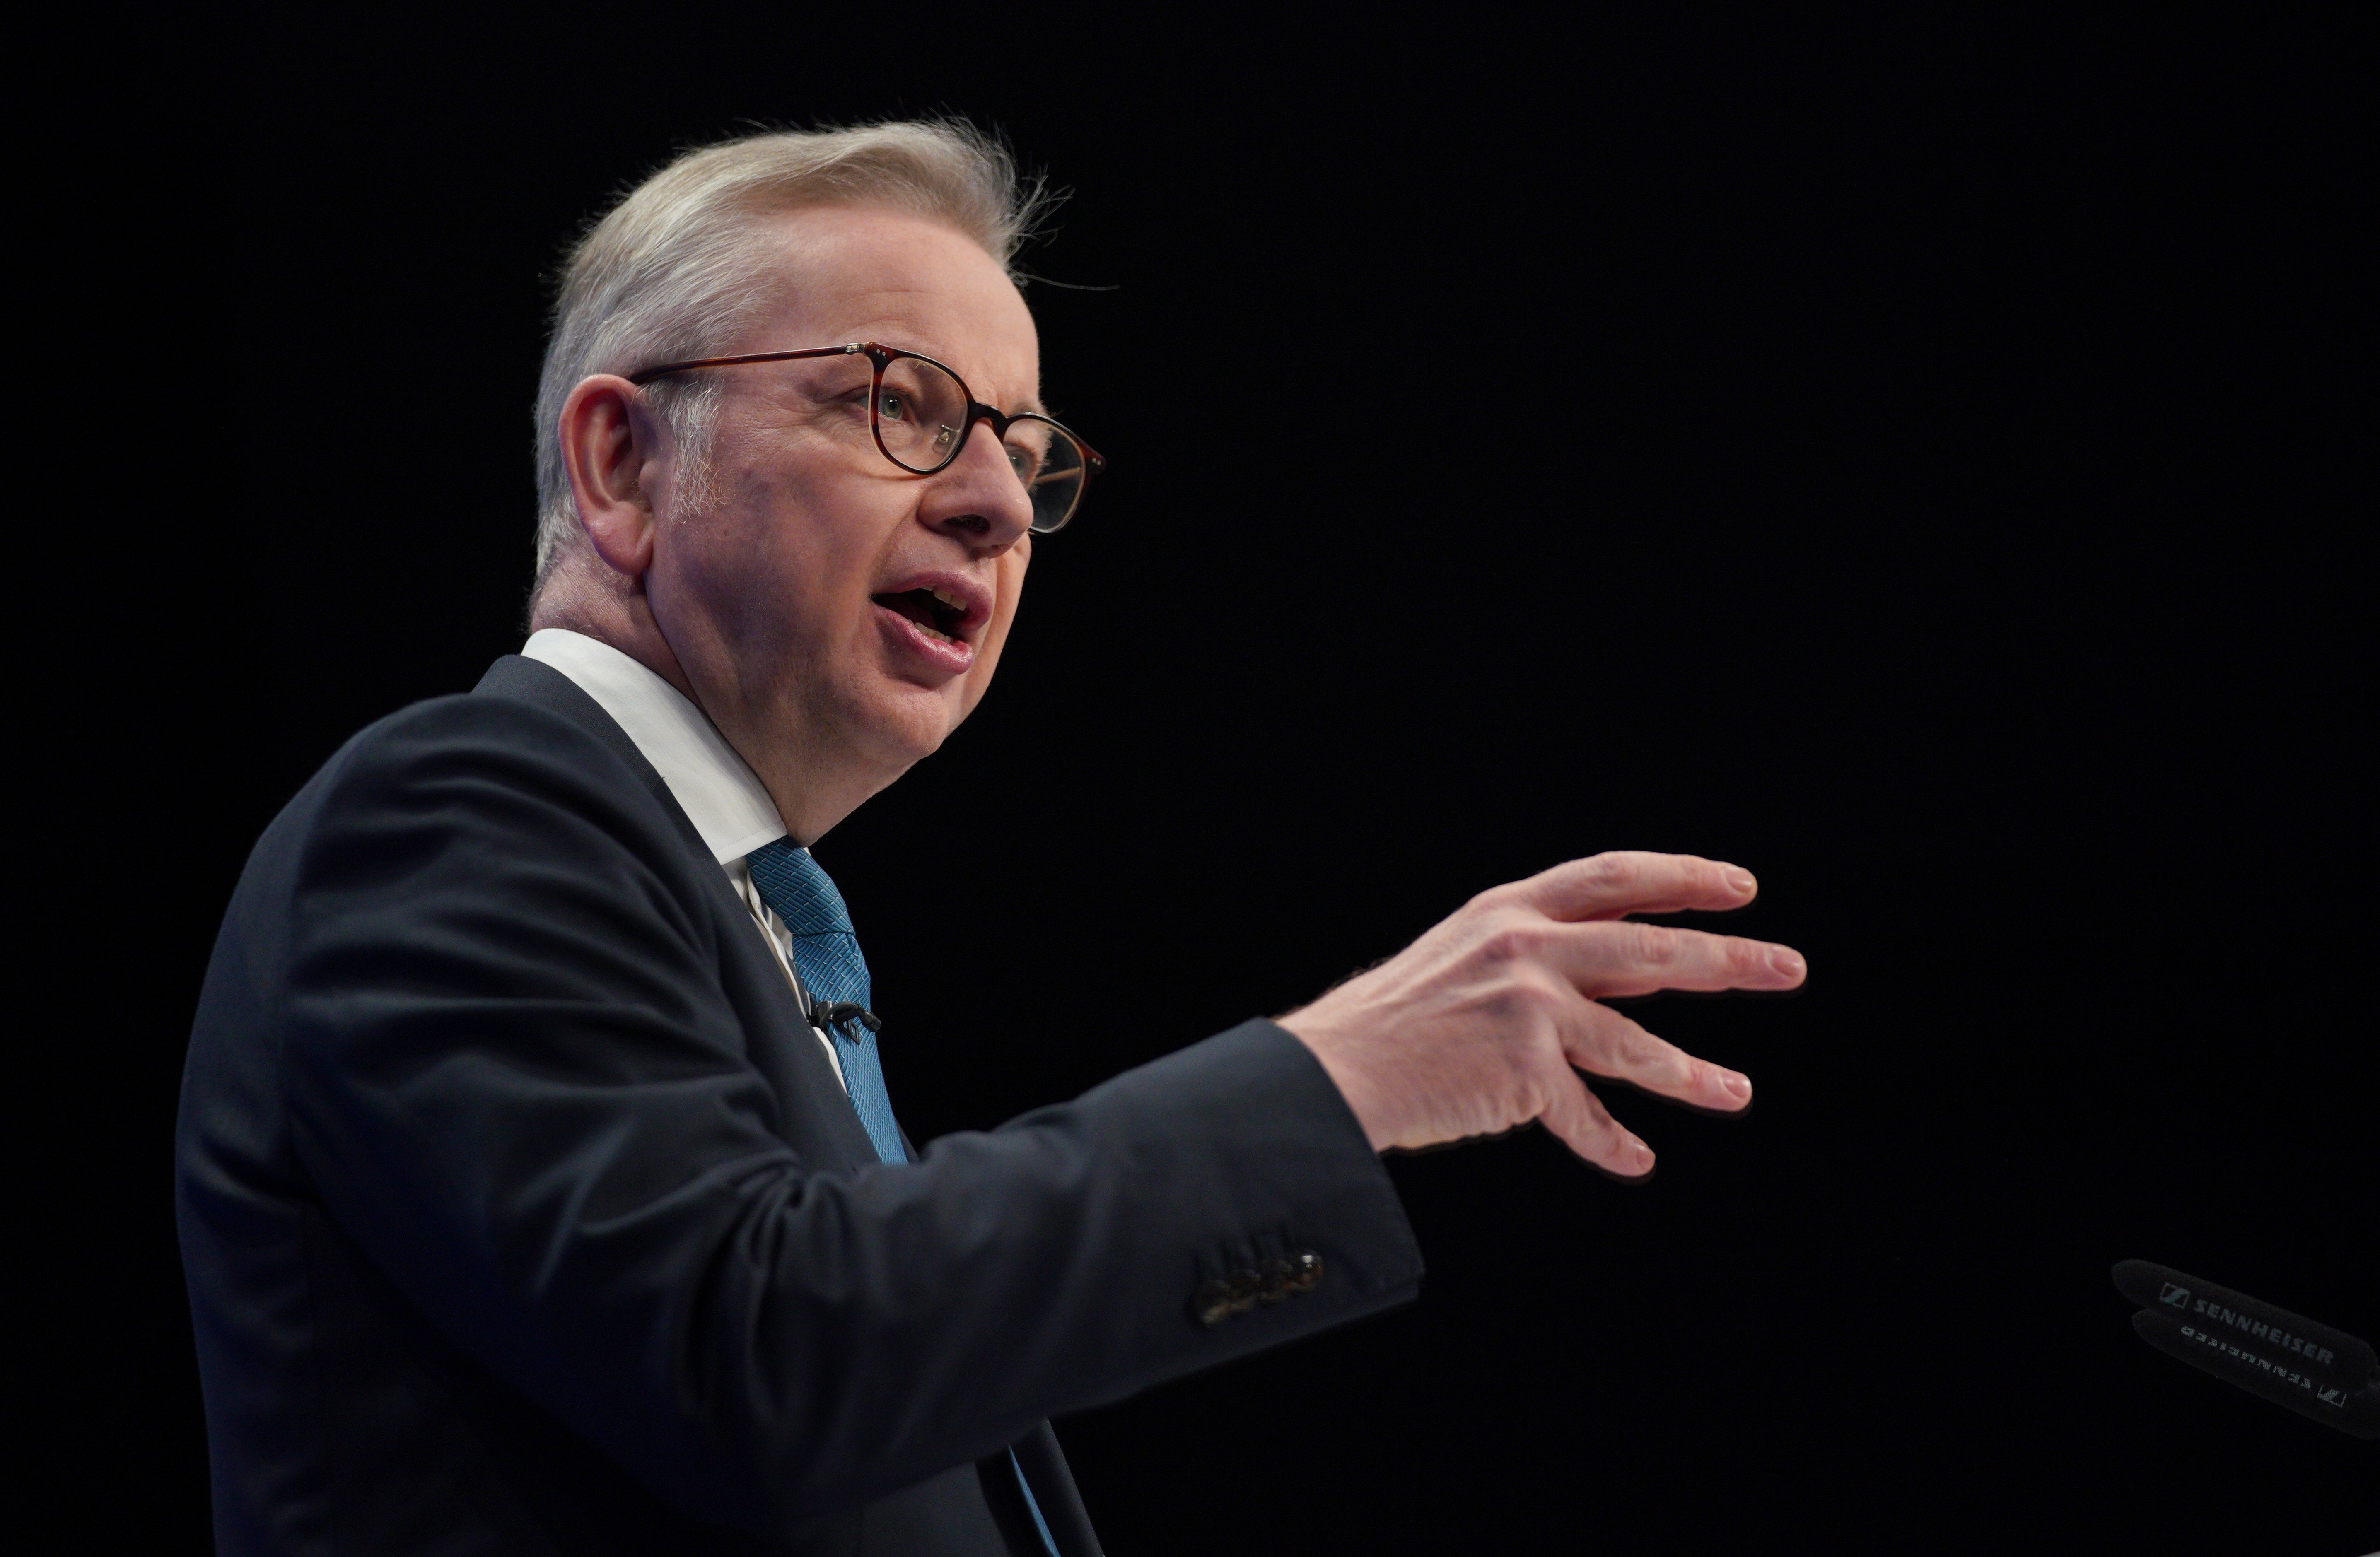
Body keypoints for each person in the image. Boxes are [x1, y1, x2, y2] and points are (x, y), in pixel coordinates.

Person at [176, 120, 1808, 1557]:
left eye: (1028, 454)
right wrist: (1344, 1072)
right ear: (620, 462)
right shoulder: (457, 815)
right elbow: (759, 1353)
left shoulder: (733, 913)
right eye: (900, 404)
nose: (1000, 506)